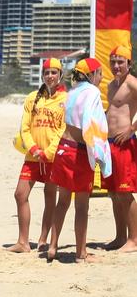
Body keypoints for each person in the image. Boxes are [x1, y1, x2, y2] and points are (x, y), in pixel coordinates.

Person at [47, 57, 111, 262]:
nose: (100, 78)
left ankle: (52, 246)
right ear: (92, 75)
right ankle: (81, 253)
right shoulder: (92, 92)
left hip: (63, 149)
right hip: (79, 152)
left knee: (62, 202)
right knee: (82, 205)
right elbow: (92, 124)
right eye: (99, 73)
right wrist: (100, 154)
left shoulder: (71, 92)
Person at [7, 58, 67, 253]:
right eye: (46, 72)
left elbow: (62, 130)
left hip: (52, 157)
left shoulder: (65, 99)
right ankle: (23, 242)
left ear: (60, 74)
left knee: (50, 196)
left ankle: (42, 239)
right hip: (33, 156)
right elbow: (24, 127)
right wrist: (33, 149)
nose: (50, 76)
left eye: (54, 72)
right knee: (20, 194)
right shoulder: (33, 97)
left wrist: (48, 152)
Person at [102, 45, 137, 252]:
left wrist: (132, 129)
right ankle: (120, 237)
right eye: (113, 61)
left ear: (129, 64)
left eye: (120, 62)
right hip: (109, 144)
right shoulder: (110, 86)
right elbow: (111, 110)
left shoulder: (132, 84)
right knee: (114, 193)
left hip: (125, 144)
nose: (116, 66)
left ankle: (134, 239)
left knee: (125, 192)